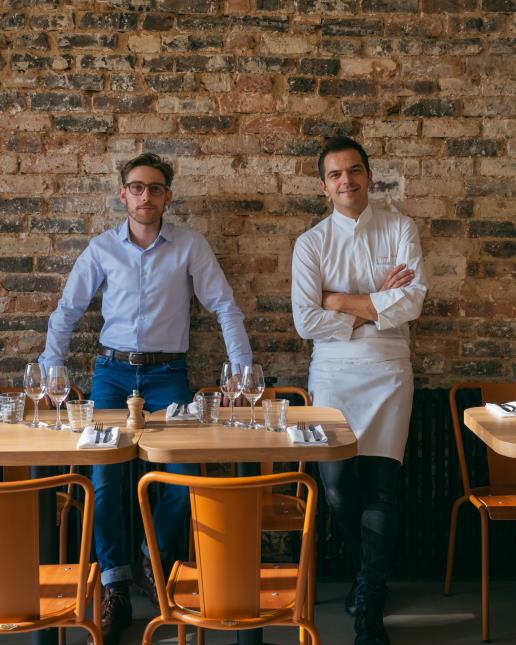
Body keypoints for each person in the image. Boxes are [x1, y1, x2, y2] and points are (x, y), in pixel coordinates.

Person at [40, 153, 252, 644]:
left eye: (155, 189)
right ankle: (115, 582)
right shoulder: (100, 249)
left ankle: (148, 553)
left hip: (168, 376)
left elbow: (224, 307)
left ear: (167, 197)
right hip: (111, 374)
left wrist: (240, 376)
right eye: (137, 188)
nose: (146, 196)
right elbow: (67, 311)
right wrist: (52, 372)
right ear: (123, 194)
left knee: (185, 478)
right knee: (106, 479)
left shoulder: (190, 246)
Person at [291, 136, 427, 645]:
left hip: (390, 372)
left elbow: (411, 303)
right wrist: (375, 306)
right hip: (331, 375)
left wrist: (341, 299)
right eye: (334, 174)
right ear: (323, 185)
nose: (345, 181)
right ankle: (365, 572)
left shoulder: (400, 228)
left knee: (381, 488)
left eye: (354, 171)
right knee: (338, 489)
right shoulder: (310, 244)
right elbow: (305, 320)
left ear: (370, 175)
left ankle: (369, 598)